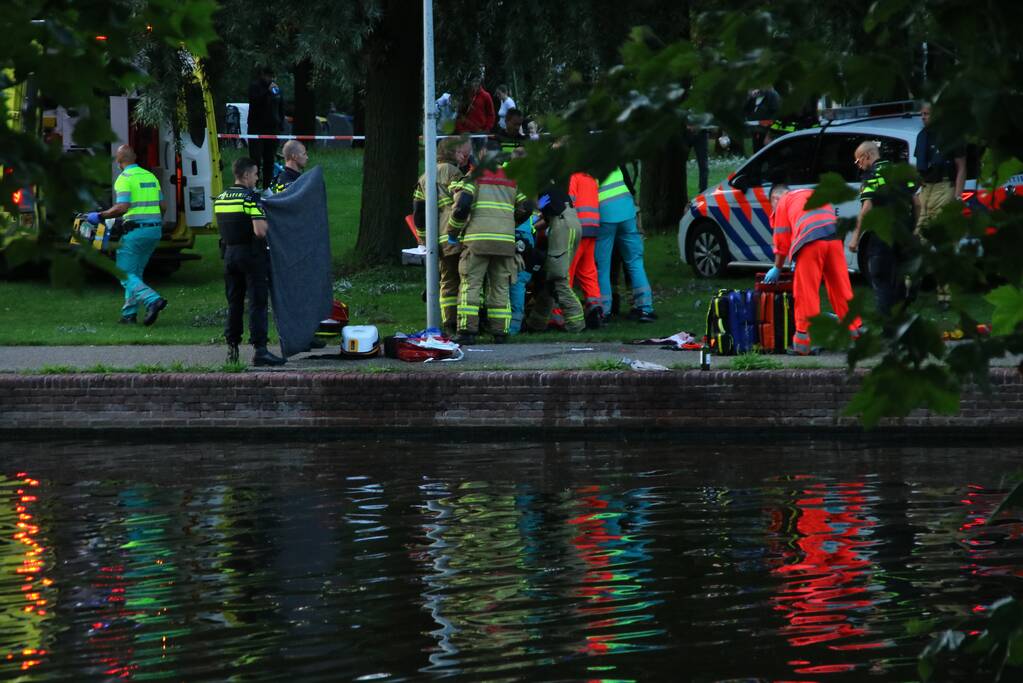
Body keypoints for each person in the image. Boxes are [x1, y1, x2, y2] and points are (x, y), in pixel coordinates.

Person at [766, 184, 860, 355]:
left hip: (810, 242)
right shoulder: (812, 193)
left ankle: (803, 344)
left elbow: (782, 242)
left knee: (806, 293)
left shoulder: (783, 202)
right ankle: (857, 333)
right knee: (841, 288)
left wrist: (777, 268)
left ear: (775, 198)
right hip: (834, 239)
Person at [448, 150, 530, 344]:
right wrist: (510, 224)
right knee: (500, 286)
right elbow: (527, 206)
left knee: (471, 284)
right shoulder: (511, 179)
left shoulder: (474, 176)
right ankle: (500, 332)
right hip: (505, 242)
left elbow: (462, 206)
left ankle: (467, 332)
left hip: (477, 241)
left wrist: (453, 232)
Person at [214, 157, 286, 367]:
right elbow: (260, 231)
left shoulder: (221, 198)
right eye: (255, 174)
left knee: (234, 303)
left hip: (229, 255)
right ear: (246, 175)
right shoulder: (250, 198)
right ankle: (260, 350)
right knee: (257, 302)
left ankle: (232, 348)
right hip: (251, 255)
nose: (256, 179)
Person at [85, 145, 168, 326]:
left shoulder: (124, 178)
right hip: (154, 231)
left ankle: (153, 300)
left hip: (135, 232)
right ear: (135, 157)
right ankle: (129, 315)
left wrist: (100, 215)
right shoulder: (150, 176)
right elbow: (163, 206)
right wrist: (154, 222)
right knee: (134, 274)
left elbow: (122, 207)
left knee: (124, 273)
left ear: (118, 161)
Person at [849, 141, 918, 317]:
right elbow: (917, 202)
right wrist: (914, 226)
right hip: (903, 234)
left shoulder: (871, 177)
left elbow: (867, 208)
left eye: (858, 161)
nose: (859, 165)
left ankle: (887, 326)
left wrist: (855, 237)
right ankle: (902, 321)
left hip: (882, 237)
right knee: (899, 280)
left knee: (881, 281)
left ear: (867, 156)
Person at [413, 136, 471, 334]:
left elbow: (418, 213)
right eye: (462, 152)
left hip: (436, 238)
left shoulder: (424, 177)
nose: (465, 156)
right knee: (464, 279)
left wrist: (423, 239)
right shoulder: (452, 172)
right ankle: (464, 322)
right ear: (452, 152)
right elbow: (460, 201)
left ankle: (449, 322)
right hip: (454, 234)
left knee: (447, 279)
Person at [915, 101, 966, 310]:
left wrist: (957, 197)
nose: (923, 117)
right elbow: (920, 167)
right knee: (918, 240)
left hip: (944, 188)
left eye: (927, 114)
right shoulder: (921, 136)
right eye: (922, 114)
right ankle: (909, 290)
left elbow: (961, 167)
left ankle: (944, 296)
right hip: (926, 190)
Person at [595, 166, 657, 322]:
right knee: (635, 262)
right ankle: (645, 308)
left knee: (602, 267)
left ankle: (604, 310)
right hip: (627, 213)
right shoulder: (614, 164)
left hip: (605, 216)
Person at [522, 185, 586, 333]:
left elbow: (532, 208)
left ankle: (576, 325)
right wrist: (532, 227)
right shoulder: (551, 188)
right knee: (549, 279)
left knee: (558, 278)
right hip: (570, 223)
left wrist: (524, 226)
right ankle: (536, 324)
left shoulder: (538, 185)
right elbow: (544, 218)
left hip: (562, 225)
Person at [567, 172, 603, 326]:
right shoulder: (591, 177)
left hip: (578, 228)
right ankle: (595, 308)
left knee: (567, 271)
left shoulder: (573, 176)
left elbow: (569, 202)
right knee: (588, 271)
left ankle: (561, 314)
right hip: (592, 227)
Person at [247, 67, 284, 189]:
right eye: (269, 76)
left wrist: (280, 124)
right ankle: (254, 186)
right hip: (256, 128)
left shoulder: (276, 89)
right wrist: (267, 92)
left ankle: (266, 187)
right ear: (263, 75)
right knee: (256, 159)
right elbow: (255, 103)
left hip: (272, 129)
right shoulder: (255, 87)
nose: (271, 79)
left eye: (273, 76)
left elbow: (280, 106)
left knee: (270, 159)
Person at [685, 123, 709, 193]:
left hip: (702, 132)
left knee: (703, 164)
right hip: (686, 132)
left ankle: (703, 190)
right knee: (679, 163)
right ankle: (679, 190)